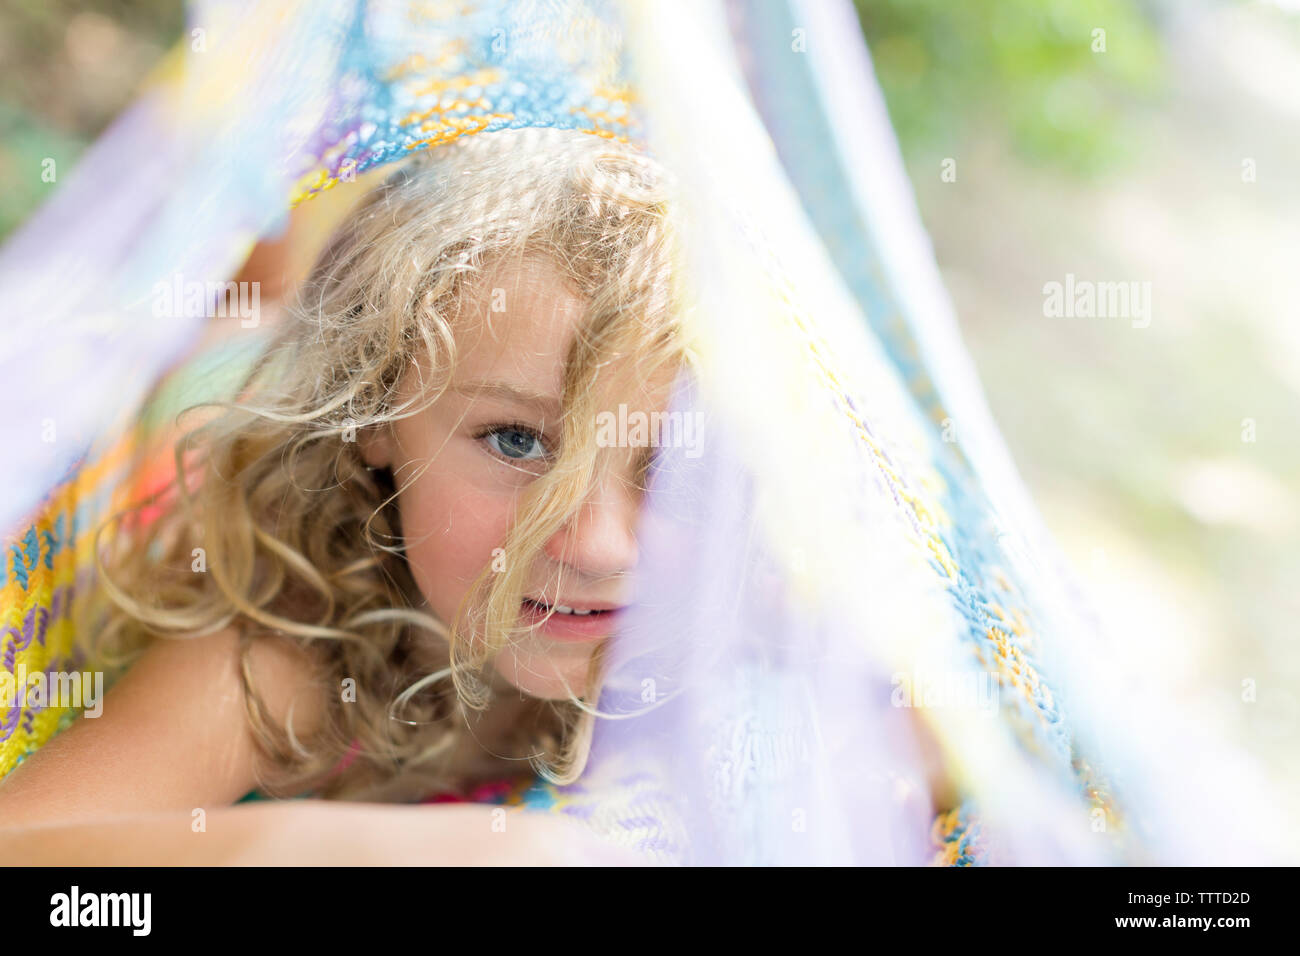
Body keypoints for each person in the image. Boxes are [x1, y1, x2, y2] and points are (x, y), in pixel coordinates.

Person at [0, 127, 682, 865]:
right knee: (245, 316)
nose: (599, 545)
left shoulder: (755, 626)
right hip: (217, 416)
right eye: (516, 440)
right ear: (378, 410)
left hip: (295, 368)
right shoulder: (285, 652)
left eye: (671, 459)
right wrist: (323, 846)